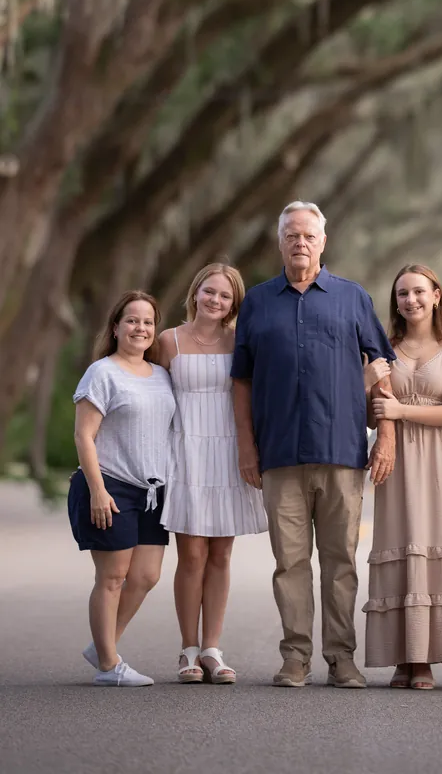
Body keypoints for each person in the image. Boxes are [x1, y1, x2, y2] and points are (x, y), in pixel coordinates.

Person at [231, 200, 396, 689]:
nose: (300, 243)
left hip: (342, 452)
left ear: (323, 242)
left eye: (308, 236)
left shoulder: (352, 298)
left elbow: (382, 370)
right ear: (279, 242)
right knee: (290, 563)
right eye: (291, 236)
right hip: (279, 453)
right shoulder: (258, 303)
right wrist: (246, 446)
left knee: (341, 562)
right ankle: (295, 658)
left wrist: (384, 435)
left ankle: (342, 658)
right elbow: (241, 381)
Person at [159, 262, 268, 686]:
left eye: (225, 296)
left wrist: (253, 450)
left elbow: (254, 394)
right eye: (209, 292)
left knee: (222, 555)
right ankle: (187, 649)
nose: (215, 301)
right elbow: (148, 392)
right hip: (185, 451)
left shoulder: (241, 341)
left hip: (228, 452)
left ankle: (212, 649)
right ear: (195, 292)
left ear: (233, 303)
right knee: (191, 556)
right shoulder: (168, 341)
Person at [365, 264, 442, 689]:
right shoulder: (383, 349)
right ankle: (401, 656)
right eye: (402, 294)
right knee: (397, 540)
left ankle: (425, 657)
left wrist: (400, 410)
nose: (410, 300)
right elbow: (368, 412)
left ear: (436, 296)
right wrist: (366, 382)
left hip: (440, 461)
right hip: (395, 461)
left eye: (418, 292)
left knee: (432, 543)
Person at [68, 291, 175, 687]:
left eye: (148, 322)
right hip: (111, 487)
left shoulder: (161, 375)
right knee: (112, 578)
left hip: (152, 491)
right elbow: (84, 435)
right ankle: (109, 666)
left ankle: (102, 644)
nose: (140, 328)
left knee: (146, 576)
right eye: (132, 320)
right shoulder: (102, 372)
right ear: (115, 327)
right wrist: (96, 489)